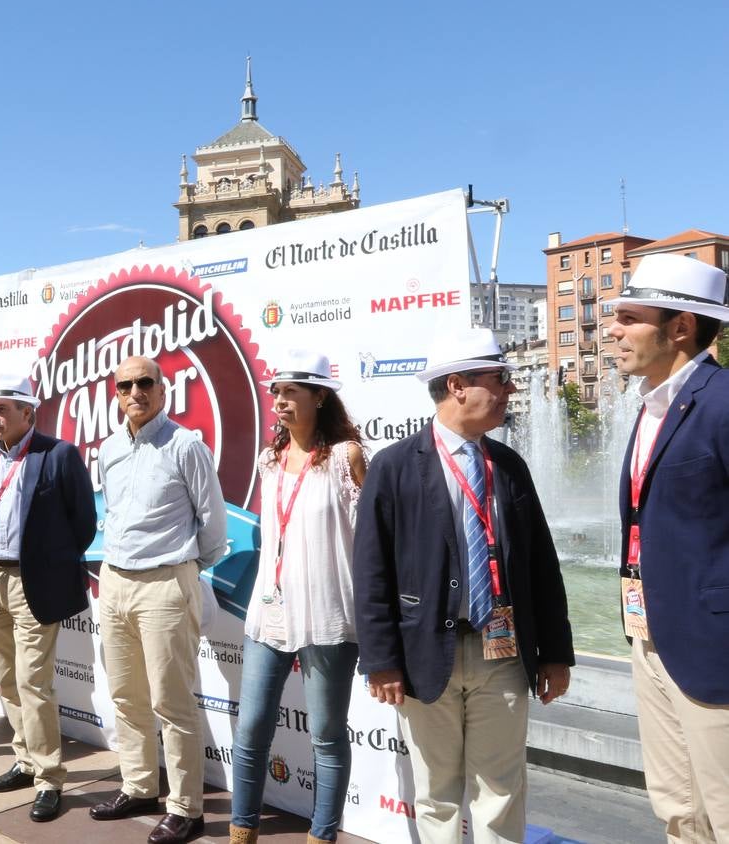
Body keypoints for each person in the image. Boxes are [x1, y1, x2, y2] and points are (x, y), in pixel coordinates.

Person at [353, 326, 574, 844]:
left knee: (501, 789)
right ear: (457, 385)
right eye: (499, 379)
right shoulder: (394, 467)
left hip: (503, 654)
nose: (509, 390)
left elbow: (541, 564)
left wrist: (555, 653)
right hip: (424, 654)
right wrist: (382, 660)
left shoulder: (509, 466)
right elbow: (370, 571)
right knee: (436, 793)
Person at [606, 254, 729, 840]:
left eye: (630, 318)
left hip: (714, 652)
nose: (612, 330)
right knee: (677, 809)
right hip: (650, 635)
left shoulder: (722, 403)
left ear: (680, 327)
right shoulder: (653, 405)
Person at [229, 350, 366, 844]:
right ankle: (241, 832)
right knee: (250, 730)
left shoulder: (347, 457)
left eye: (291, 391)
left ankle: (322, 836)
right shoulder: (269, 460)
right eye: (276, 392)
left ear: (320, 396)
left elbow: (370, 540)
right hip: (270, 612)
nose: (280, 400)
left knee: (326, 737)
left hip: (328, 616)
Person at [90, 356, 227, 844]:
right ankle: (139, 786)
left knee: (172, 701)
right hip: (115, 581)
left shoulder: (186, 445)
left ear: (163, 388)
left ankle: (187, 809)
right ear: (116, 393)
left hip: (166, 583)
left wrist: (182, 570)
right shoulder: (108, 449)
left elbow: (213, 525)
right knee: (126, 696)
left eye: (145, 382)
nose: (136, 392)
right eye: (125, 385)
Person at [0, 375, 96, 823]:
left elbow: (83, 524)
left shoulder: (58, 455)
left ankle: (49, 778)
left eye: (2, 409)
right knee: (6, 679)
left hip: (31, 583)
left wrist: (48, 563)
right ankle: (25, 760)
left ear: (28, 413)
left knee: (33, 682)